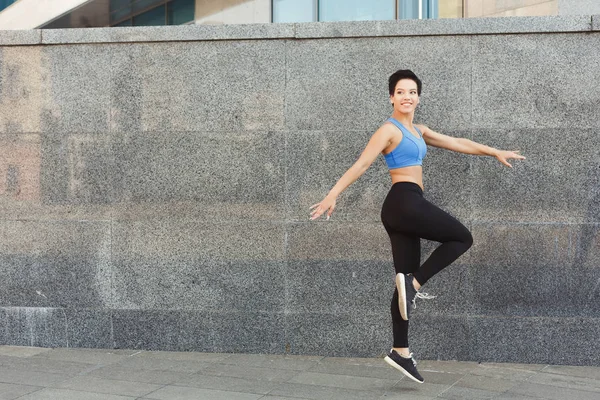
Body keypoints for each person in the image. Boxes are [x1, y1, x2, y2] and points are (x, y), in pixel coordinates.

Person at [309, 69, 525, 383]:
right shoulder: (389, 129)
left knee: (402, 284)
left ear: (418, 97)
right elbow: (363, 162)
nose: (407, 96)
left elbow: (456, 142)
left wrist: (493, 151)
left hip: (402, 207)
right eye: (400, 92)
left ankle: (401, 350)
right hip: (403, 201)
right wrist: (333, 194)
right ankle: (414, 286)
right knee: (461, 238)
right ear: (391, 97)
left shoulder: (420, 130)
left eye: (412, 91)